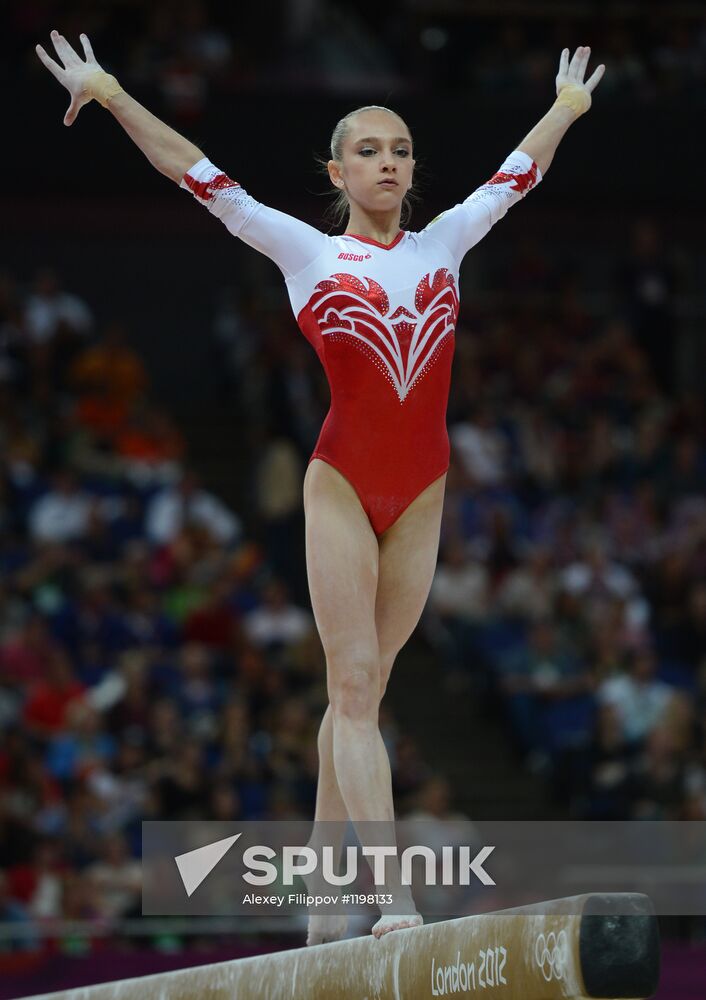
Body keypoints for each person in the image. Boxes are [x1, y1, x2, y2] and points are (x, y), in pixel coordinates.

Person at [36, 29, 604, 941]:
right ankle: (393, 901)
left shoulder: (446, 242)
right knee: (354, 683)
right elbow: (196, 172)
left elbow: (518, 175)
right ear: (337, 172)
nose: (389, 162)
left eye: (401, 149)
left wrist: (567, 106)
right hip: (342, 481)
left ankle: (318, 896)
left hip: (423, 491)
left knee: (361, 696)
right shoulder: (307, 253)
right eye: (368, 150)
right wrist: (108, 91)